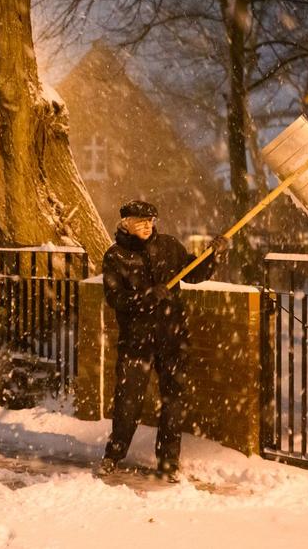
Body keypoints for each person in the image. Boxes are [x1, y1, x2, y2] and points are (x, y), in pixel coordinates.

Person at [97, 199, 230, 482]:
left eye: (150, 221)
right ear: (125, 224)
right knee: (128, 401)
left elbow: (194, 274)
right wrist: (146, 297)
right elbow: (115, 298)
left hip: (171, 336)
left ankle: (168, 462)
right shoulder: (116, 256)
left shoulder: (169, 246)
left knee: (173, 401)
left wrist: (213, 256)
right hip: (136, 341)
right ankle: (113, 455)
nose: (147, 225)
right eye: (141, 221)